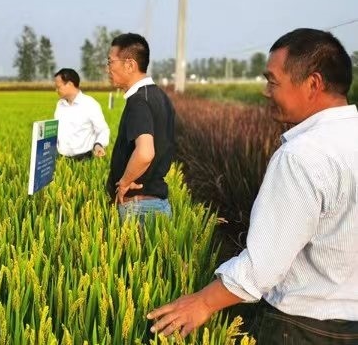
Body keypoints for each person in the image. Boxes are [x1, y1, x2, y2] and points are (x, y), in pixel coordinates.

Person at [147, 28, 358, 343]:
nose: (265, 91)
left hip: (303, 328)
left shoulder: (302, 155)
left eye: (273, 81)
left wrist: (203, 303)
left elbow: (264, 265)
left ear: (313, 84)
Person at [105, 33, 175, 223]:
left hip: (140, 209)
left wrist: (124, 183)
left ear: (129, 65)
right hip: (154, 205)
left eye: (110, 62)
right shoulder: (160, 96)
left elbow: (145, 153)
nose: (107, 68)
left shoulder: (139, 101)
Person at [53, 68, 110, 160]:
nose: (56, 90)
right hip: (62, 160)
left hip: (84, 160)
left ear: (70, 84)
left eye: (58, 87)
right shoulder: (60, 104)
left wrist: (98, 144)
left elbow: (103, 130)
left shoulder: (90, 104)